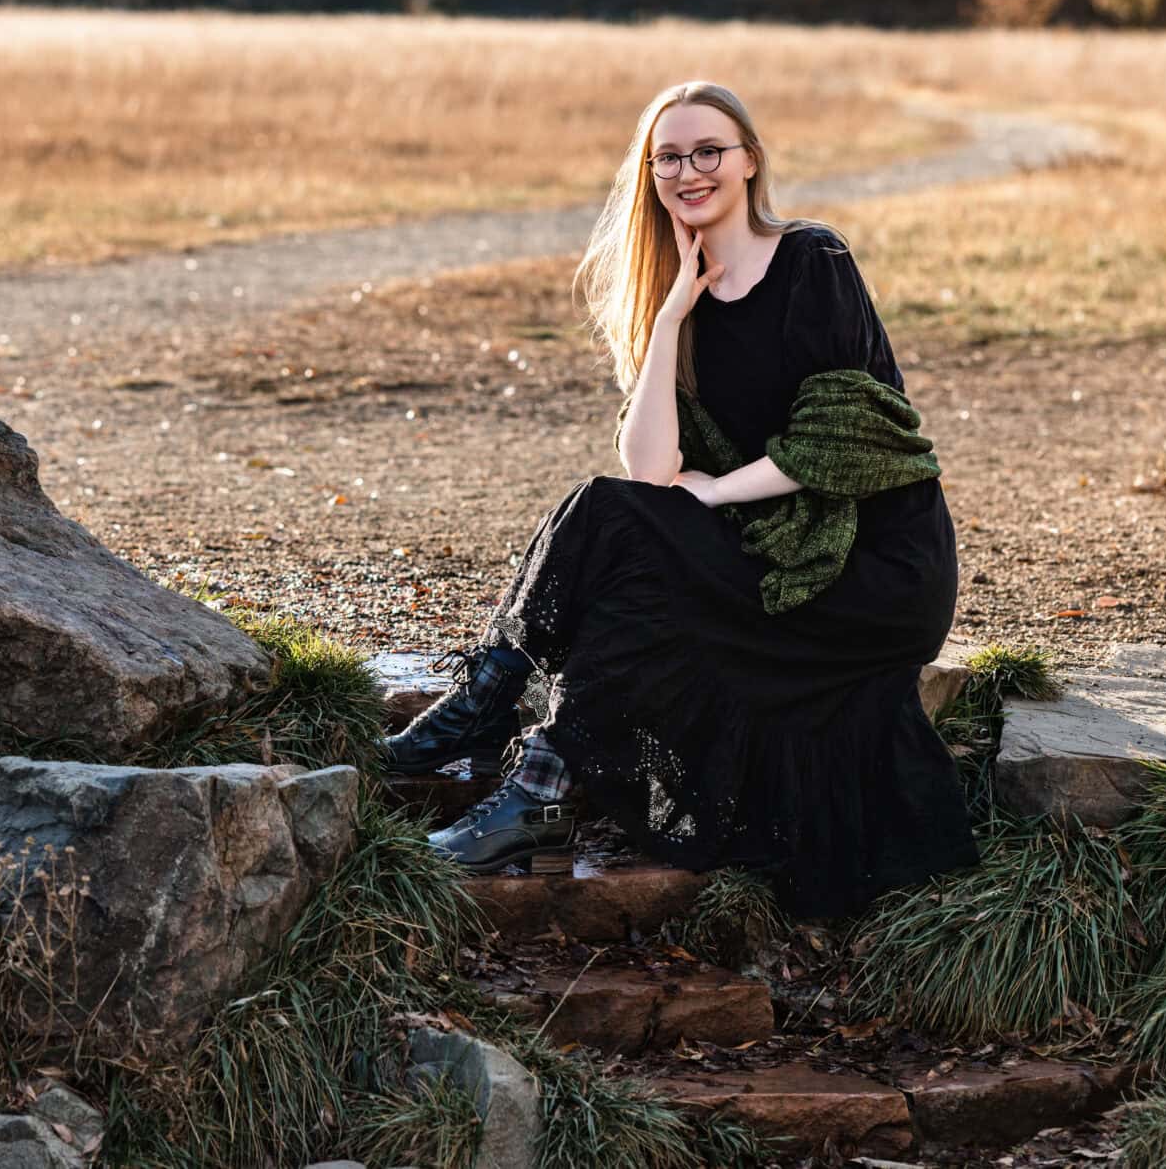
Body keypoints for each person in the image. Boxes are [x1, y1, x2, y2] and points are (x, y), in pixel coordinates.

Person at [381, 79, 978, 918]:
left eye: (709, 152)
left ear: (748, 163)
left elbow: (852, 434)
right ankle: (536, 779)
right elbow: (651, 466)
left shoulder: (814, 260)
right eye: (669, 156)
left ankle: (485, 711)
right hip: (767, 553)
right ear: (649, 173)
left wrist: (718, 493)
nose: (689, 170)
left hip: (873, 567)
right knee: (615, 530)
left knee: (613, 521)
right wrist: (666, 321)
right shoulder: (678, 295)